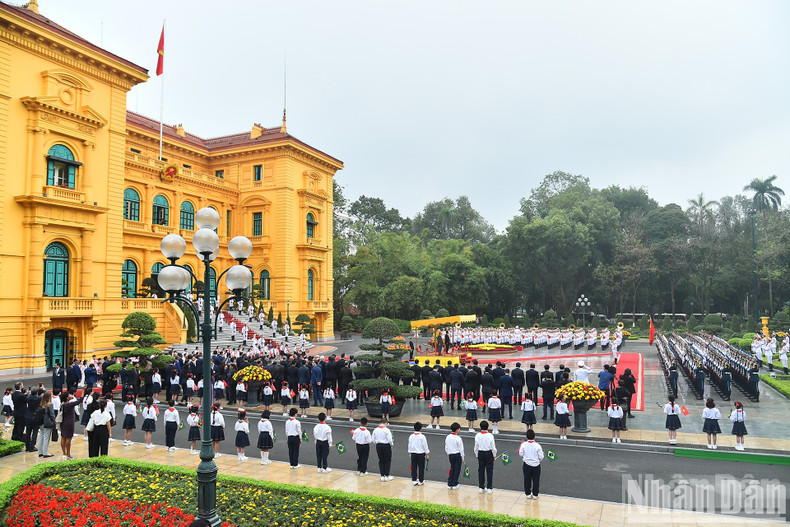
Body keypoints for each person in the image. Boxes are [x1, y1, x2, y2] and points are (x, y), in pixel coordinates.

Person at [518, 429, 544, 500]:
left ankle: (528, 493)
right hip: (536, 465)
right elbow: (541, 457)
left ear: (526, 436)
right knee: (536, 479)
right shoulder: (538, 446)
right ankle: (535, 494)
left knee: (527, 479)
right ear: (534, 436)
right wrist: (538, 459)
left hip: (527, 464)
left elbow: (520, 454)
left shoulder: (523, 444)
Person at [474, 420, 496, 494]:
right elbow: (493, 447)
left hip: (481, 453)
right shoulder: (490, 435)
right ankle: (489, 487)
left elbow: (476, 447)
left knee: (481, 470)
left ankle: (481, 487)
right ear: (488, 427)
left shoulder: (477, 435)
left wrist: (477, 454)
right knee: (489, 470)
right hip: (489, 453)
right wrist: (494, 455)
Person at [59, 392, 82, 460]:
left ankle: (64, 453)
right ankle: (68, 454)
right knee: (68, 438)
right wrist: (83, 390)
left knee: (63, 437)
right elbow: (79, 400)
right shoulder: (69, 405)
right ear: (67, 397)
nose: (70, 395)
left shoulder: (63, 404)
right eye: (69, 395)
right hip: (69, 422)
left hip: (63, 422)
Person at [408, 422, 430, 486]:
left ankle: (414, 480)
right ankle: (421, 480)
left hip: (413, 453)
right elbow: (425, 446)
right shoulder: (422, 437)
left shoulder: (411, 436)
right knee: (421, 467)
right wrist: (427, 453)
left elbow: (409, 445)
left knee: (414, 467)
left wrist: (410, 452)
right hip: (420, 454)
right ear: (421, 428)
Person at [444, 422, 464, 490]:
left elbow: (446, 447)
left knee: (452, 468)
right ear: (457, 429)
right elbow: (461, 449)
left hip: (451, 454)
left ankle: (450, 483)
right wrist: (463, 457)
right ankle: (455, 483)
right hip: (457, 455)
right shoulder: (458, 438)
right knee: (457, 469)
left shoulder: (448, 437)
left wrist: (448, 454)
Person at [37, 392, 56, 458]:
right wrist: (54, 422)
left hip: (41, 422)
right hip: (47, 423)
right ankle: (45, 452)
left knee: (41, 437)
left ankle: (40, 452)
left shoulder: (41, 404)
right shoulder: (50, 405)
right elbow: (52, 415)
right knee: (46, 438)